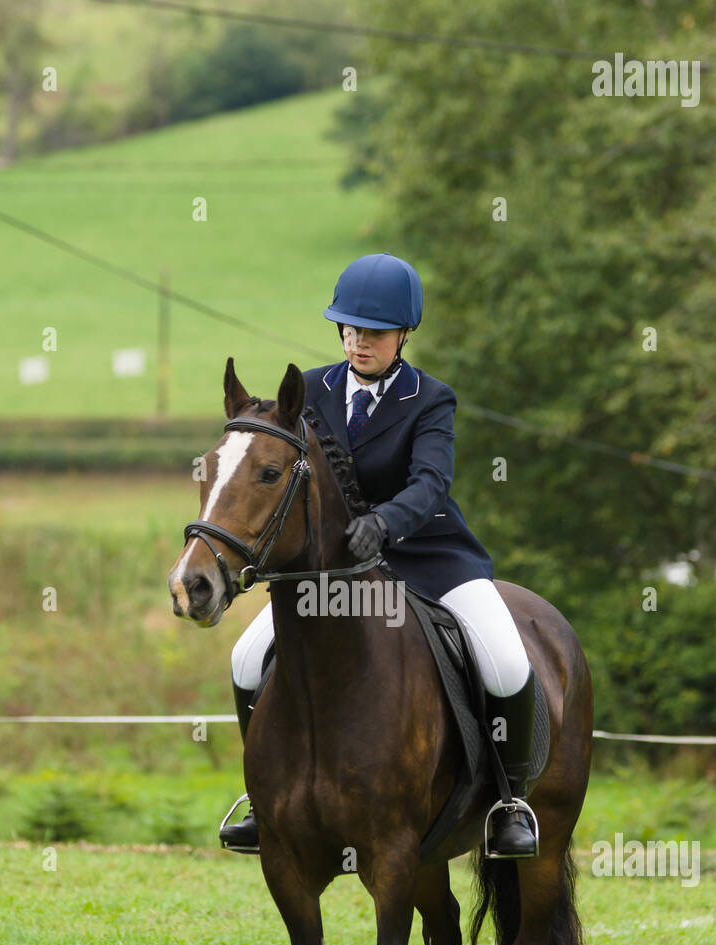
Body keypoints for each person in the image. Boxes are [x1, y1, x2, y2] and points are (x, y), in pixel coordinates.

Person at [220, 252, 538, 857]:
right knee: (245, 657)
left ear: (405, 334)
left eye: (373, 332)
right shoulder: (310, 389)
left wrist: (385, 522)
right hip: (334, 567)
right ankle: (264, 799)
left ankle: (507, 802)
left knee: (505, 661)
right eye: (348, 327)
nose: (357, 340)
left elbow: (430, 483)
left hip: (428, 556)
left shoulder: (431, 399)